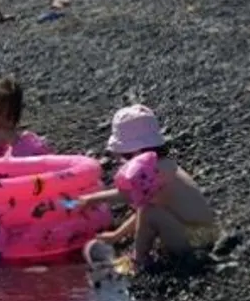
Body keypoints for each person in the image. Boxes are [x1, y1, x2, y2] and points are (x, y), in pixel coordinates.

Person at [76, 105, 216, 269]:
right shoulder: (163, 166)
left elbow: (128, 196)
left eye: (124, 156)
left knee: (150, 212)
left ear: (134, 153)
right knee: (148, 208)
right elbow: (143, 210)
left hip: (195, 241)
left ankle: (137, 262)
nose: (122, 162)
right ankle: (139, 256)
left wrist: (91, 199)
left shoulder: (154, 171)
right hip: (203, 235)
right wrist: (116, 235)